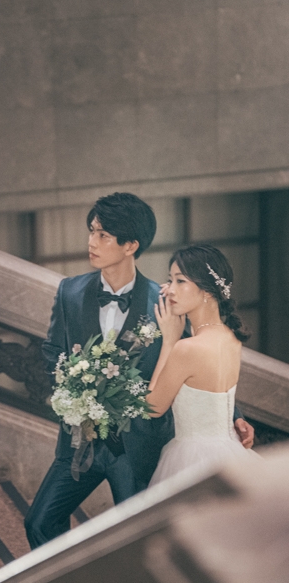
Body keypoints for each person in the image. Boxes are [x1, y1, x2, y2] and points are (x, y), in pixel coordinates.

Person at [24, 193, 254, 550]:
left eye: (103, 235)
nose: (91, 242)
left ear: (130, 245)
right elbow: (53, 351)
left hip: (138, 446)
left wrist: (232, 415)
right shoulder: (70, 291)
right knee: (39, 522)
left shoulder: (165, 300)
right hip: (80, 442)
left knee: (139, 542)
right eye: (91, 231)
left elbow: (201, 358)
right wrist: (71, 391)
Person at [148, 244, 258, 486]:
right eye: (170, 280)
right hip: (230, 451)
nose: (170, 290)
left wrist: (169, 342)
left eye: (180, 281)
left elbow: (152, 408)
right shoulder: (231, 337)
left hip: (192, 460)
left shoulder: (187, 348)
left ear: (207, 290)